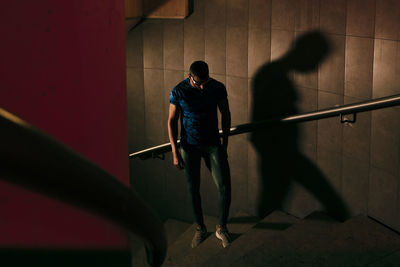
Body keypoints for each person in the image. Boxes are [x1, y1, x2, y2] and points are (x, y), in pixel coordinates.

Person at [168, 61, 232, 248]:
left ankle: (221, 228)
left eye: (206, 81)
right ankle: (200, 228)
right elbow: (171, 121)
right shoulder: (178, 91)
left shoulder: (217, 87)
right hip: (189, 147)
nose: (203, 86)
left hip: (213, 144)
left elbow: (226, 113)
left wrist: (225, 144)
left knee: (225, 186)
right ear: (190, 77)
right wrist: (174, 152)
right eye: (198, 83)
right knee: (193, 188)